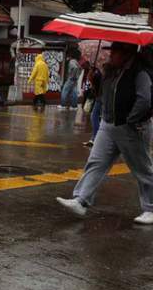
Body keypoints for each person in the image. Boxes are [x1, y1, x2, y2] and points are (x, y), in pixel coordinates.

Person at [56, 42, 153, 224]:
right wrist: (96, 81)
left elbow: (145, 100)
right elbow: (103, 96)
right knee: (96, 162)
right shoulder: (111, 71)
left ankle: (150, 208)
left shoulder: (140, 73)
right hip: (108, 125)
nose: (111, 55)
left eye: (115, 51)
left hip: (131, 128)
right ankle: (81, 200)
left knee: (142, 168)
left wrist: (131, 120)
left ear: (127, 53)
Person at [82, 64, 102, 147]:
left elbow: (95, 83)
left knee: (94, 116)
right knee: (96, 117)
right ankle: (95, 138)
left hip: (101, 98)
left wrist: (91, 75)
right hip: (100, 97)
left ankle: (95, 139)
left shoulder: (99, 74)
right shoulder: (98, 73)